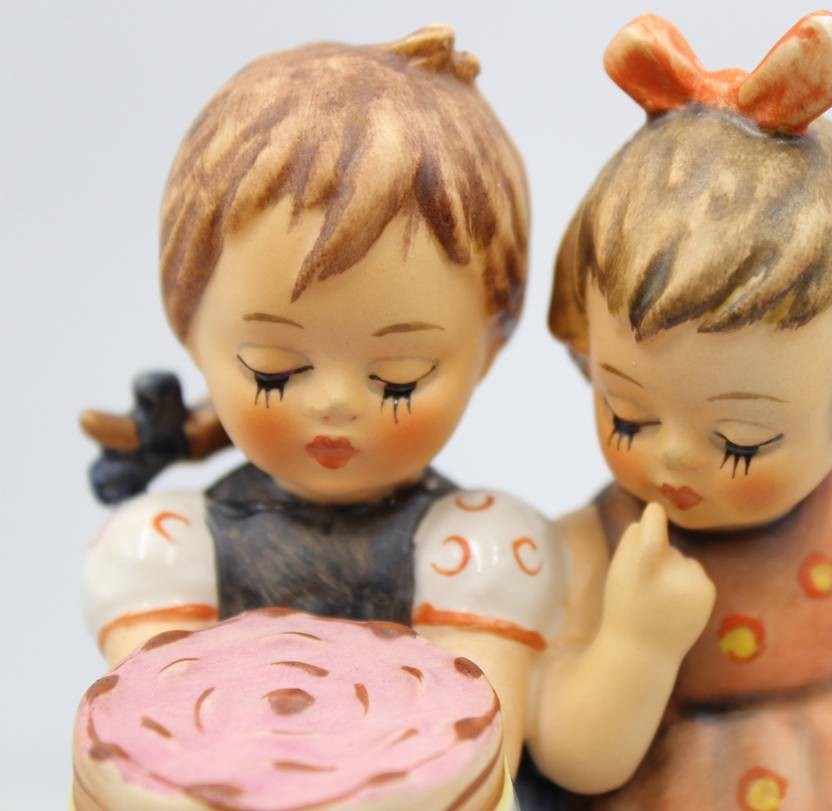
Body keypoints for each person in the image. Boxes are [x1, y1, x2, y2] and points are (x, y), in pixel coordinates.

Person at [535, 11, 832, 809]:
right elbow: (570, 756)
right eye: (629, 415)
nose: (674, 459)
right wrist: (636, 645)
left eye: (741, 442)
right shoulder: (593, 546)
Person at [81, 25, 555, 785]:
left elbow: (478, 771)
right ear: (189, 328)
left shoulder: (474, 552)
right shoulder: (170, 551)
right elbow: (155, 763)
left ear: (489, 348)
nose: (335, 404)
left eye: (399, 378)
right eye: (272, 372)